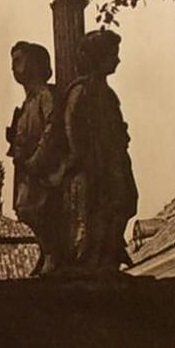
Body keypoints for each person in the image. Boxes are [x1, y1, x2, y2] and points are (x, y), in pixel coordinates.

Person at [58, 29, 138, 270]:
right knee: (100, 207)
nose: (117, 60)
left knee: (126, 201)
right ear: (98, 57)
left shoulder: (107, 93)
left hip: (114, 161)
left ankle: (110, 254)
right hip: (95, 164)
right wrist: (80, 158)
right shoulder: (81, 90)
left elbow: (116, 127)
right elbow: (73, 126)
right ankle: (98, 259)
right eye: (113, 54)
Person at [6, 41, 64, 273]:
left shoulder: (44, 95)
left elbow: (52, 127)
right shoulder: (27, 102)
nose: (13, 67)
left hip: (42, 168)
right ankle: (46, 251)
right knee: (24, 209)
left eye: (18, 60)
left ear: (34, 63)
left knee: (37, 208)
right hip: (27, 169)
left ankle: (52, 253)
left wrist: (38, 157)